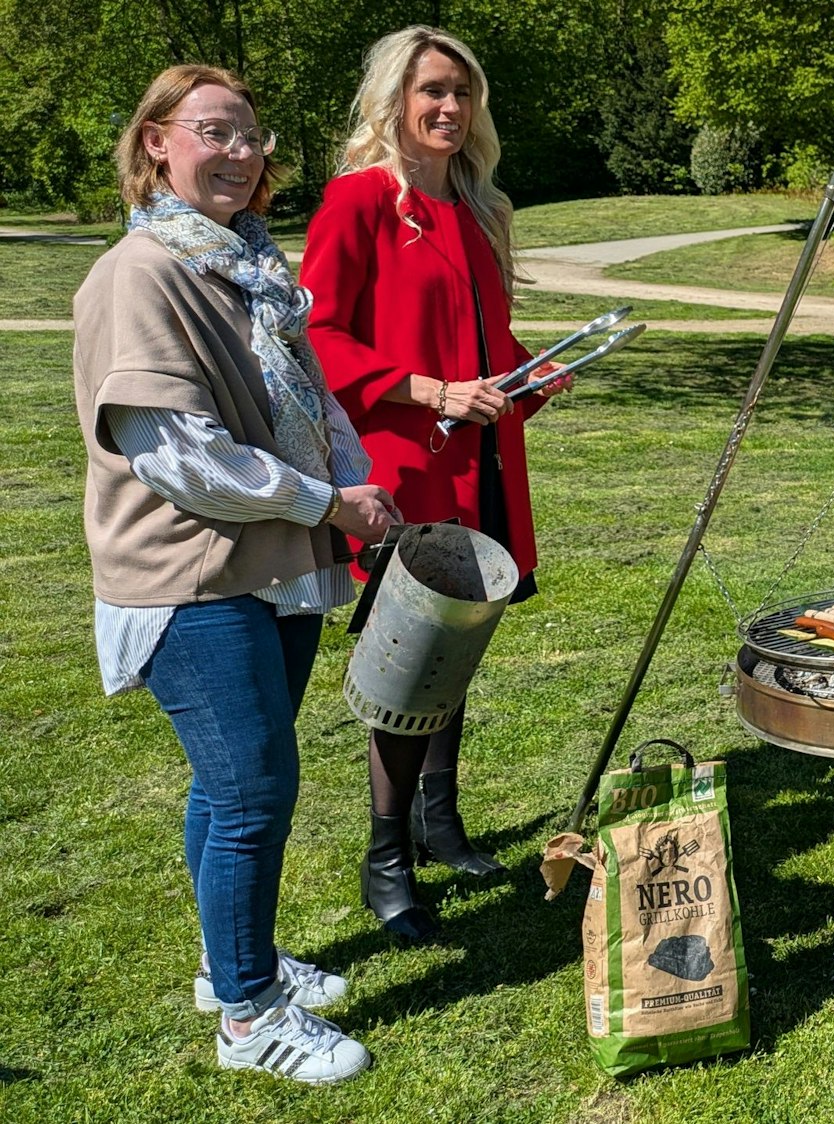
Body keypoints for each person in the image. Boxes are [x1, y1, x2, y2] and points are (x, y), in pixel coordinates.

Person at [75, 64, 398, 1083]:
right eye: (214, 132)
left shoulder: (249, 266)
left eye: (251, 137)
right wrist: (323, 502)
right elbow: (178, 455)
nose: (239, 152)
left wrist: (354, 477)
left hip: (269, 562)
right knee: (253, 787)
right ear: (156, 143)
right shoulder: (143, 274)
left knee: (230, 789)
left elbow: (310, 397)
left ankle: (233, 967)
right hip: (188, 574)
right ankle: (250, 1018)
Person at [302, 26, 568, 942]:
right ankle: (386, 857)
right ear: (394, 101)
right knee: (405, 662)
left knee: (456, 650)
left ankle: (439, 820)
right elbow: (320, 339)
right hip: (403, 469)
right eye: (431, 92)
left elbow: (486, 339)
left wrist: (529, 370)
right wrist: (427, 390)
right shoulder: (358, 201)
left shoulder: (479, 206)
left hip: (482, 467)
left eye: (461, 91)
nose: (448, 107)